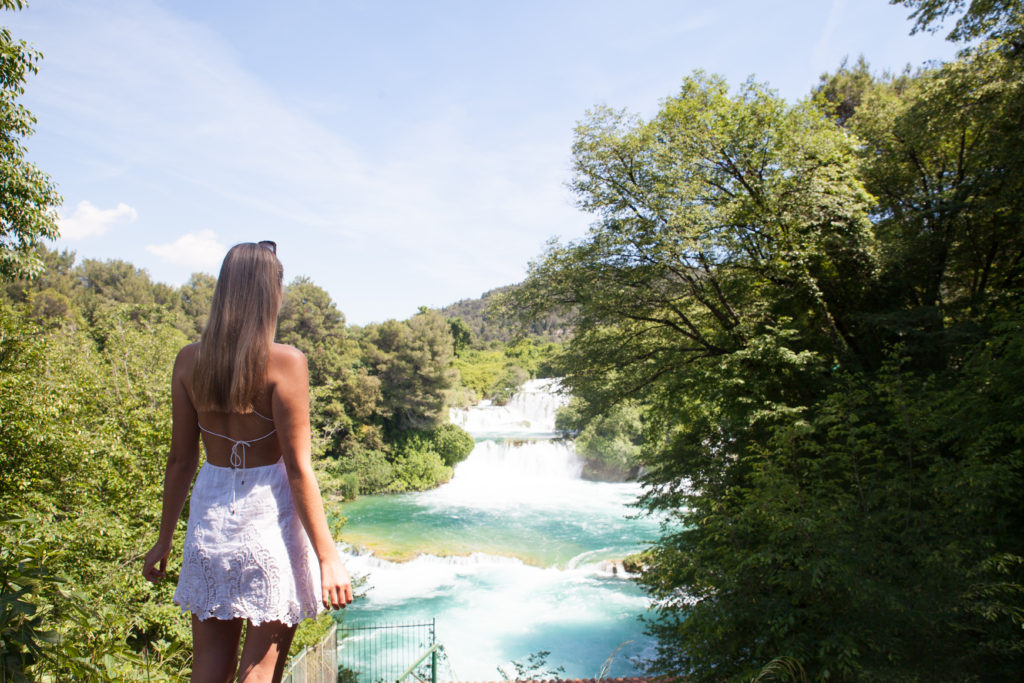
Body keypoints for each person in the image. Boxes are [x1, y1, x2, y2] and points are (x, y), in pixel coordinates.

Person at [142, 241, 353, 683]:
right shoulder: (286, 363)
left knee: (208, 671)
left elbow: (181, 460)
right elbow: (298, 469)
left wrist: (163, 540)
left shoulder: (189, 361)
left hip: (209, 526)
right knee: (259, 673)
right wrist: (328, 556)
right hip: (266, 525)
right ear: (270, 293)